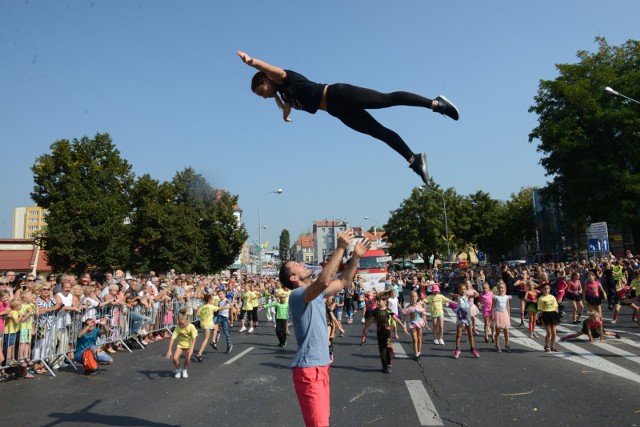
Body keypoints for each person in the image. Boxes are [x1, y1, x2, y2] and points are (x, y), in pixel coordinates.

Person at [237, 50, 460, 184]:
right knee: (380, 133)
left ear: (265, 80)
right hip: (338, 112)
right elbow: (284, 107)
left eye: (261, 92)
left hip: (339, 94)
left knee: (386, 100)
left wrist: (252, 62)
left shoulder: (283, 78)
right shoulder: (282, 95)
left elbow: (269, 68)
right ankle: (414, 160)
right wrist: (285, 116)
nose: (263, 97)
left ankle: (435, 104)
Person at [278, 229, 370, 427]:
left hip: (321, 366)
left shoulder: (316, 294)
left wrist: (355, 257)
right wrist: (340, 247)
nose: (302, 264)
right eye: (297, 265)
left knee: (322, 422)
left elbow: (344, 281)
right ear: (293, 278)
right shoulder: (297, 296)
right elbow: (324, 280)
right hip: (309, 370)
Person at [371, 291, 408, 373]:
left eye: (379, 300)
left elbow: (396, 318)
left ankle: (389, 365)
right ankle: (384, 365)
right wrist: (365, 331)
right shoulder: (375, 311)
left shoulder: (388, 311)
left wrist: (403, 326)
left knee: (388, 348)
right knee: (381, 349)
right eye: (377, 301)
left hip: (387, 331)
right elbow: (371, 320)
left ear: (384, 301)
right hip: (379, 331)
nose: (378, 302)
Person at [166, 309, 198, 379]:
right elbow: (172, 338)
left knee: (188, 358)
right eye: (180, 324)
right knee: (175, 358)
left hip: (189, 346)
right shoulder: (177, 327)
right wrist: (169, 350)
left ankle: (184, 370)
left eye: (182, 324)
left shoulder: (191, 327)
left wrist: (192, 348)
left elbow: (194, 338)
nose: (181, 325)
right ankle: (178, 369)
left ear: (187, 321)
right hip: (180, 345)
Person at [537, 283, 560, 352]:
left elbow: (556, 307)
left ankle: (552, 346)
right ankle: (546, 346)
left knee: (554, 333)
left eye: (547, 288)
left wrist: (557, 315)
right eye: (545, 289)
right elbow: (540, 310)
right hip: (545, 314)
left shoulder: (552, 297)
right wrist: (540, 318)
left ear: (549, 289)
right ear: (541, 290)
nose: (546, 290)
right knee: (549, 333)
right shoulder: (541, 298)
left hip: (553, 314)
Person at [490, 281, 512, 352]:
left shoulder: (507, 297)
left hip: (505, 314)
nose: (501, 289)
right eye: (499, 288)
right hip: (498, 314)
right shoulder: (496, 297)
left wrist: (508, 315)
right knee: (498, 331)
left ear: (505, 288)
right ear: (497, 289)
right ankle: (497, 345)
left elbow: (508, 306)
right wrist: (492, 315)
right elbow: (493, 306)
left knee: (506, 331)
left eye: (502, 288)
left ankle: (507, 344)